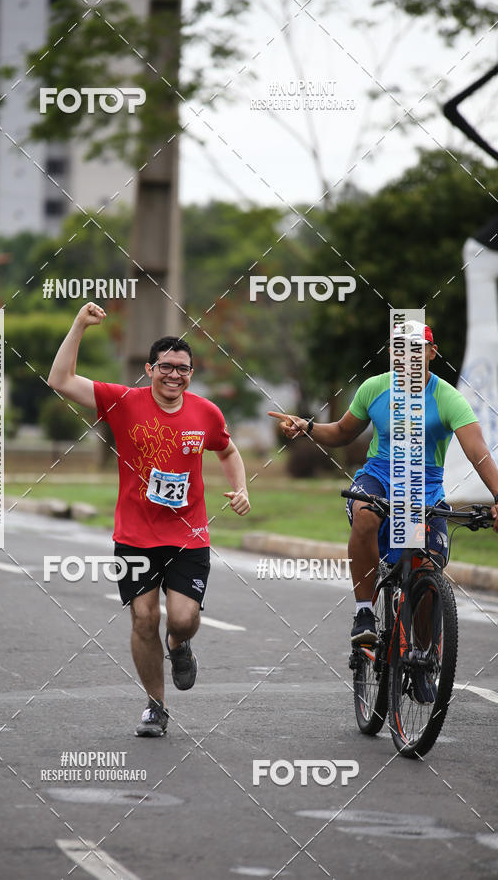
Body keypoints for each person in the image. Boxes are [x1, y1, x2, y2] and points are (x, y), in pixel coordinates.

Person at [48, 303, 250, 737]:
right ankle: (156, 707)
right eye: (166, 367)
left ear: (191, 373)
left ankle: (180, 645)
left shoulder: (206, 413)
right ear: (149, 369)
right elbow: (60, 380)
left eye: (183, 368)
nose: (174, 375)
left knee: (181, 619)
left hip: (188, 535)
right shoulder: (122, 401)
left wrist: (241, 487)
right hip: (135, 536)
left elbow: (228, 450)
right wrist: (79, 325)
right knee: (143, 618)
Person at [269, 322, 498, 701]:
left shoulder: (448, 398)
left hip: (424, 488)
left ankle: (423, 655)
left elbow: (479, 453)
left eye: (416, 349)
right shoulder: (375, 387)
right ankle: (364, 610)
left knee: (426, 572)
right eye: (400, 350)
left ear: (431, 352)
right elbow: (343, 433)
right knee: (365, 515)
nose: (407, 357)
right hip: (379, 478)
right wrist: (307, 426)